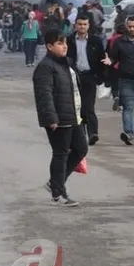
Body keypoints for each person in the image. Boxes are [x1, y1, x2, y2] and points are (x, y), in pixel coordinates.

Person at [32, 29, 88, 207]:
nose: (64, 46)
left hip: (74, 115)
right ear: (49, 47)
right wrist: (51, 117)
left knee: (81, 149)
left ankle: (55, 183)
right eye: (59, 43)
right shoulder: (45, 67)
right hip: (58, 117)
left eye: (65, 42)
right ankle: (58, 194)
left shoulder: (66, 64)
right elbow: (44, 94)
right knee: (61, 154)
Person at [104, 15, 134, 146]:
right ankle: (129, 133)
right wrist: (110, 61)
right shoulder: (120, 42)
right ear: (126, 26)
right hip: (126, 80)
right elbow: (113, 57)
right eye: (130, 26)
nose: (132, 29)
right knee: (128, 107)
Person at [66, 14, 106, 146]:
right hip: (74, 76)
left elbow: (102, 59)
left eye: (84, 24)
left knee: (88, 107)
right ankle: (80, 135)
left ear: (88, 26)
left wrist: (100, 77)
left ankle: (93, 133)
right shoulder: (69, 40)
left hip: (90, 77)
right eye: (80, 24)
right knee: (77, 107)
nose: (82, 27)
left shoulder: (96, 41)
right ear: (75, 25)